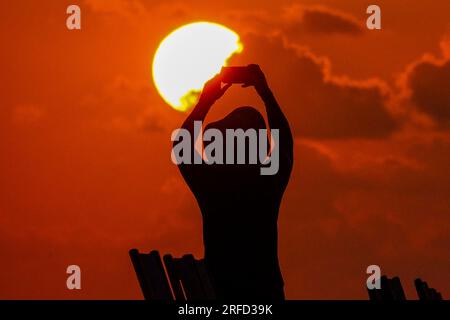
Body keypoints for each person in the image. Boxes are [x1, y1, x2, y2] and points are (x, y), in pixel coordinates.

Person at [175, 64, 293, 300]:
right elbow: (285, 143)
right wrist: (265, 93)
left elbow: (182, 145)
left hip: (220, 291)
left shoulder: (212, 184)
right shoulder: (266, 183)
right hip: (265, 293)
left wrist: (205, 102)